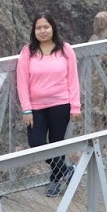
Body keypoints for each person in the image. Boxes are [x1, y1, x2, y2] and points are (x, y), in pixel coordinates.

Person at [16, 13, 81, 196]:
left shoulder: (65, 50)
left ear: (53, 28)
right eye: (39, 28)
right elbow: (22, 82)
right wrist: (26, 109)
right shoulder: (27, 52)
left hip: (61, 103)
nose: (42, 31)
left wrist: (75, 106)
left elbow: (73, 79)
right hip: (35, 107)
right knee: (36, 143)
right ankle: (66, 170)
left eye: (46, 27)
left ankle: (55, 181)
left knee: (56, 143)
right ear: (33, 31)